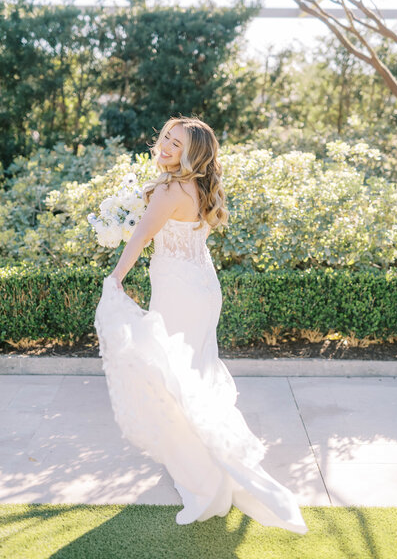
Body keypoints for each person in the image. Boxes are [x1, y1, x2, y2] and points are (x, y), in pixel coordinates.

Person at [94, 116, 308, 534]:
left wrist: (114, 279)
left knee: (176, 382)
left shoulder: (170, 189)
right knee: (192, 377)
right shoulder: (194, 187)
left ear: (193, 154)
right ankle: (205, 464)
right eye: (166, 139)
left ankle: (205, 481)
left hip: (179, 291)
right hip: (201, 288)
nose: (166, 147)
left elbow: (139, 237)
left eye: (177, 144)